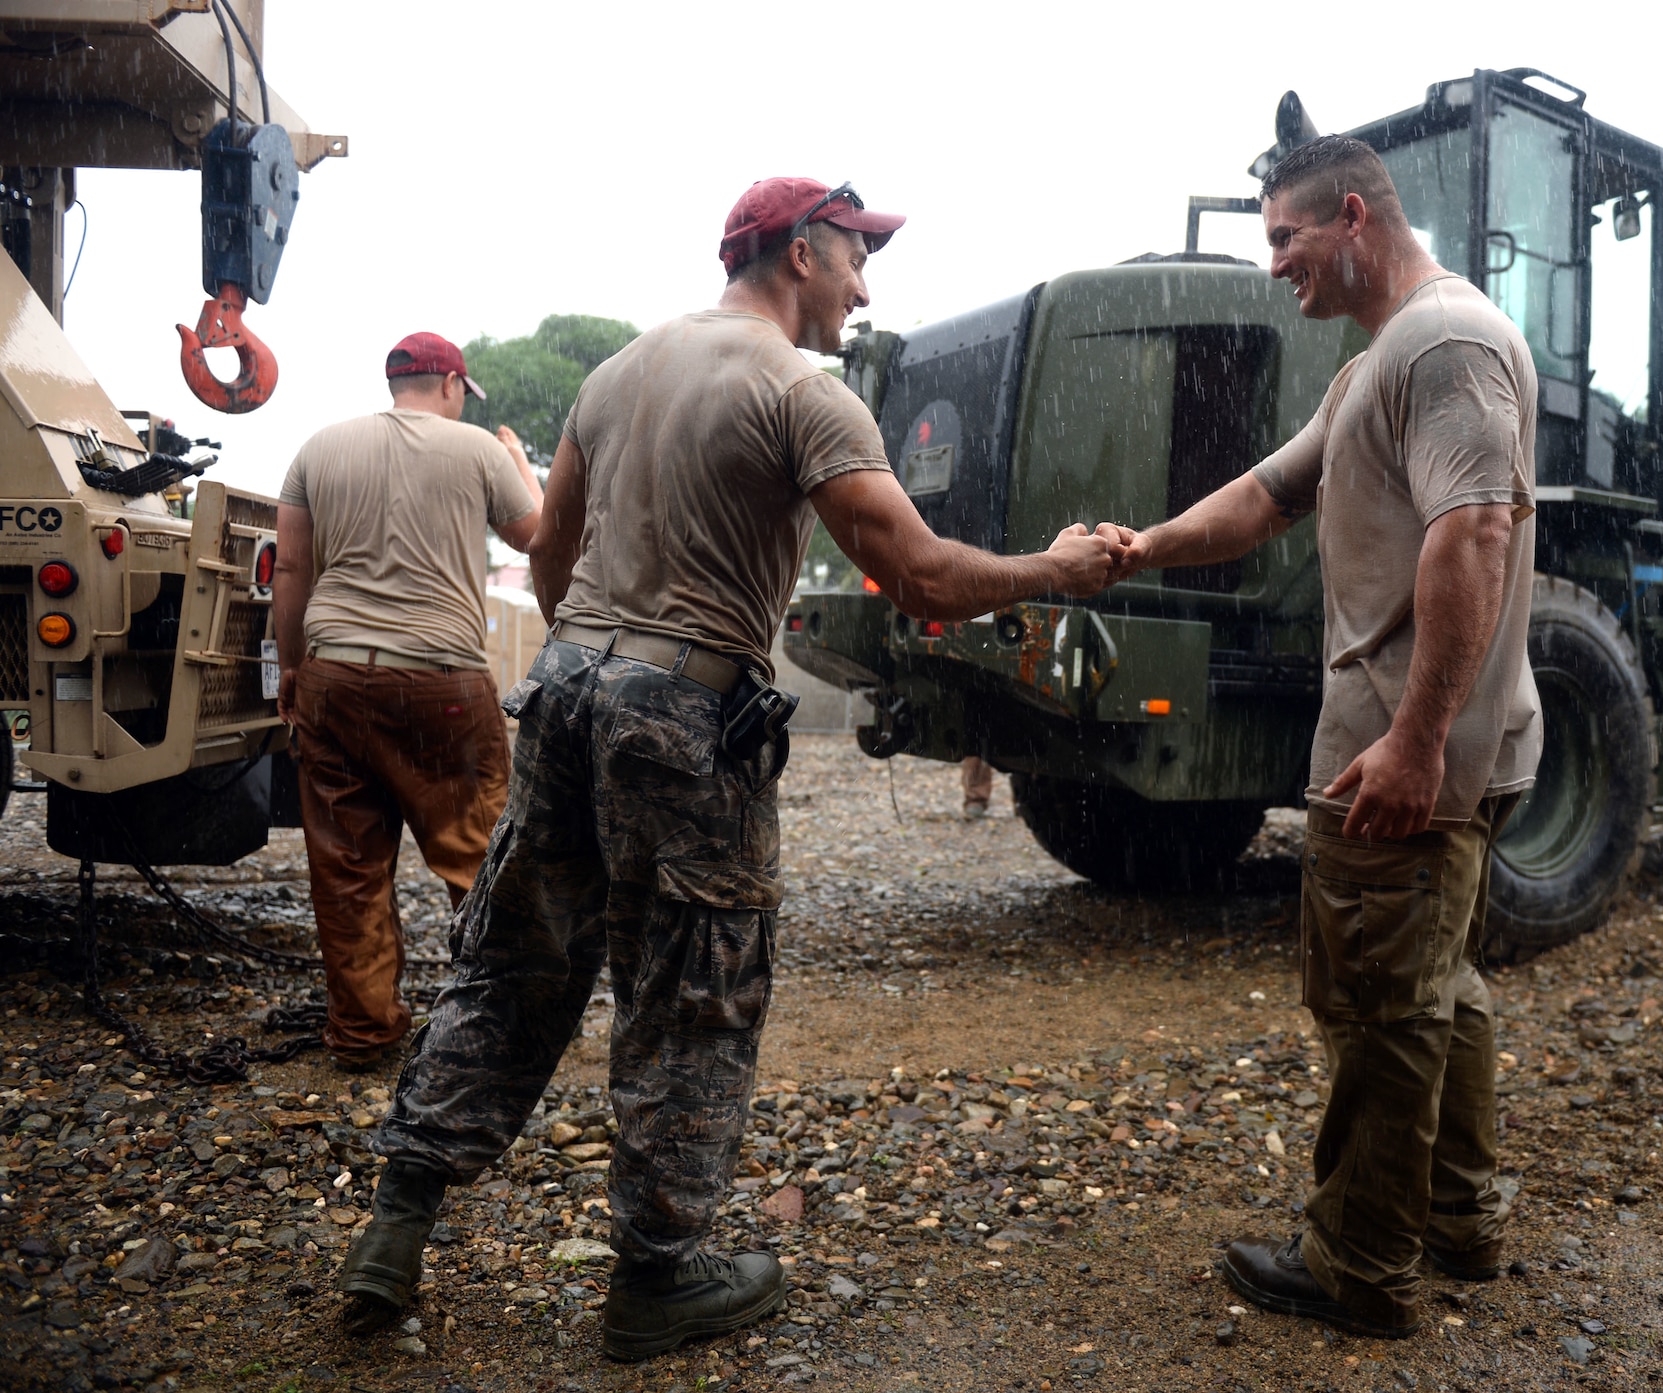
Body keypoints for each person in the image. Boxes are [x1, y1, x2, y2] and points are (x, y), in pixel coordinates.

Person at [336, 178, 1126, 1359]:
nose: (868, 284)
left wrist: (594, 667)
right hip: (685, 709)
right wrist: (1053, 570)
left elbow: (552, 558)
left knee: (514, 958)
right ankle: (657, 1274)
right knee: (690, 984)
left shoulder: (620, 374)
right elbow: (916, 576)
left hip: (563, 686)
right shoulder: (797, 391)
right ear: (800, 253)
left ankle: (394, 1232)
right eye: (858, 256)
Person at [1108, 133, 1541, 1339]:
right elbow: (1263, 494)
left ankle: (1360, 1262)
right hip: (1450, 737)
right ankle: (1454, 1216)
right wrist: (1143, 549)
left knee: (1378, 1002)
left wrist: (1414, 740)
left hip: (1403, 750)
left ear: (1351, 217)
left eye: (1283, 239)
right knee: (1436, 985)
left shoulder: (1442, 341)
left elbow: (1474, 535)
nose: (1272, 266)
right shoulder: (1375, 365)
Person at [273, 333, 544, 1071]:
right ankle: (506, 1028)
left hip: (333, 677)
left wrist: (292, 667)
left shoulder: (318, 450)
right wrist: (522, 467)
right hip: (442, 683)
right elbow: (542, 540)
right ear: (452, 385)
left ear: (397, 383)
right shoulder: (479, 451)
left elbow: (292, 567)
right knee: (481, 855)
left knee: (347, 864)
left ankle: (363, 1033)